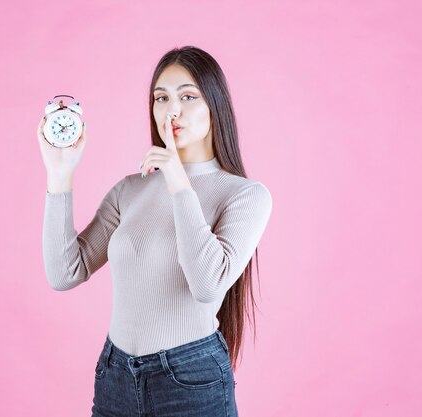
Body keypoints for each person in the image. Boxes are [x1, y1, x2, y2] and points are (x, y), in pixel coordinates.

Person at [37, 45, 272, 417]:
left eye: (188, 96)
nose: (172, 110)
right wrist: (59, 173)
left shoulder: (245, 195)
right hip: (115, 375)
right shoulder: (130, 190)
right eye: (161, 98)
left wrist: (179, 181)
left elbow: (207, 284)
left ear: (215, 105)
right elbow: (64, 273)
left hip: (190, 379)